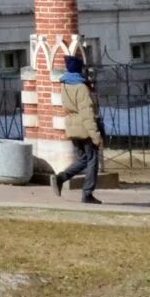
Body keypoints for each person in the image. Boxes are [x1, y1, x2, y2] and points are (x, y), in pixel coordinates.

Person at [54, 52, 104, 204]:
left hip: (72, 126)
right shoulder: (81, 88)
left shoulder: (64, 84)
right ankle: (87, 194)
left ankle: (61, 178)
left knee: (83, 159)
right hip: (84, 128)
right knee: (92, 160)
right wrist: (96, 136)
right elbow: (87, 113)